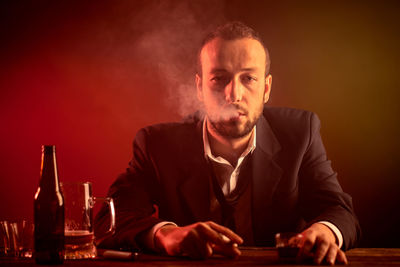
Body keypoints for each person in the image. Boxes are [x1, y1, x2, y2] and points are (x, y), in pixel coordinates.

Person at [94, 21, 361, 265]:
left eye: (248, 78)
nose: (234, 94)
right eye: (219, 79)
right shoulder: (157, 144)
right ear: (199, 88)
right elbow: (109, 220)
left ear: (266, 89)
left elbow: (338, 210)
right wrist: (166, 234)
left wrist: (324, 231)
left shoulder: (300, 133)